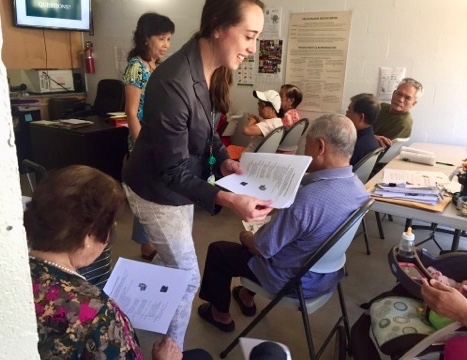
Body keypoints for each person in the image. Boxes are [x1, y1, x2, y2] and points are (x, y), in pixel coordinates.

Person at [122, 0, 272, 348]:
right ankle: (168, 351)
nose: (252, 48)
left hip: (179, 185)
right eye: (249, 36)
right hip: (156, 190)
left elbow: (205, 131)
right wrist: (229, 198)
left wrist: (223, 162)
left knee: (169, 262)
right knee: (188, 277)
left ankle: (132, 307)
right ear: (218, 25)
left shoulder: (208, 66)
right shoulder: (174, 81)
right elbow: (172, 171)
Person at [197, 113, 370, 332]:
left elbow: (262, 248)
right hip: (326, 274)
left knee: (220, 251)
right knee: (286, 238)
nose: (303, 151)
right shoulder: (359, 188)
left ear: (320, 147)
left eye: (306, 145)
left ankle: (219, 315)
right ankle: (246, 296)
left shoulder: (307, 200)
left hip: (294, 279)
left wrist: (247, 237)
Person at [24, 165, 212, 360]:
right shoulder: (97, 314)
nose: (107, 239)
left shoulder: (15, 273)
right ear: (87, 238)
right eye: (109, 229)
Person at [123, 12, 175, 261]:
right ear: (146, 38)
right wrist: (142, 147)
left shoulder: (158, 67)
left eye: (169, 39)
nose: (166, 45)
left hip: (159, 138)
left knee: (154, 190)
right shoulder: (136, 67)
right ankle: (146, 244)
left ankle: (151, 238)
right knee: (145, 191)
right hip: (143, 141)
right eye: (162, 38)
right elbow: (131, 113)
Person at [226, 89, 282, 159]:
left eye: (262, 105)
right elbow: (264, 131)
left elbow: (246, 130)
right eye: (259, 104)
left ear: (273, 109)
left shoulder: (268, 124)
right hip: (259, 157)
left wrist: (252, 120)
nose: (259, 107)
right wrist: (258, 123)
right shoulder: (278, 122)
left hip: (248, 160)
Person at [373, 77, 423, 147]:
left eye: (407, 98)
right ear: (393, 93)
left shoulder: (403, 123)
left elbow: (381, 148)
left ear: (413, 103)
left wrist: (371, 138)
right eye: (399, 94)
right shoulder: (382, 107)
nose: (400, 100)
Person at [345, 93, 381, 166]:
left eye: (349, 111)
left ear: (361, 117)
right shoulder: (371, 138)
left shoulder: (356, 146)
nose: (346, 115)